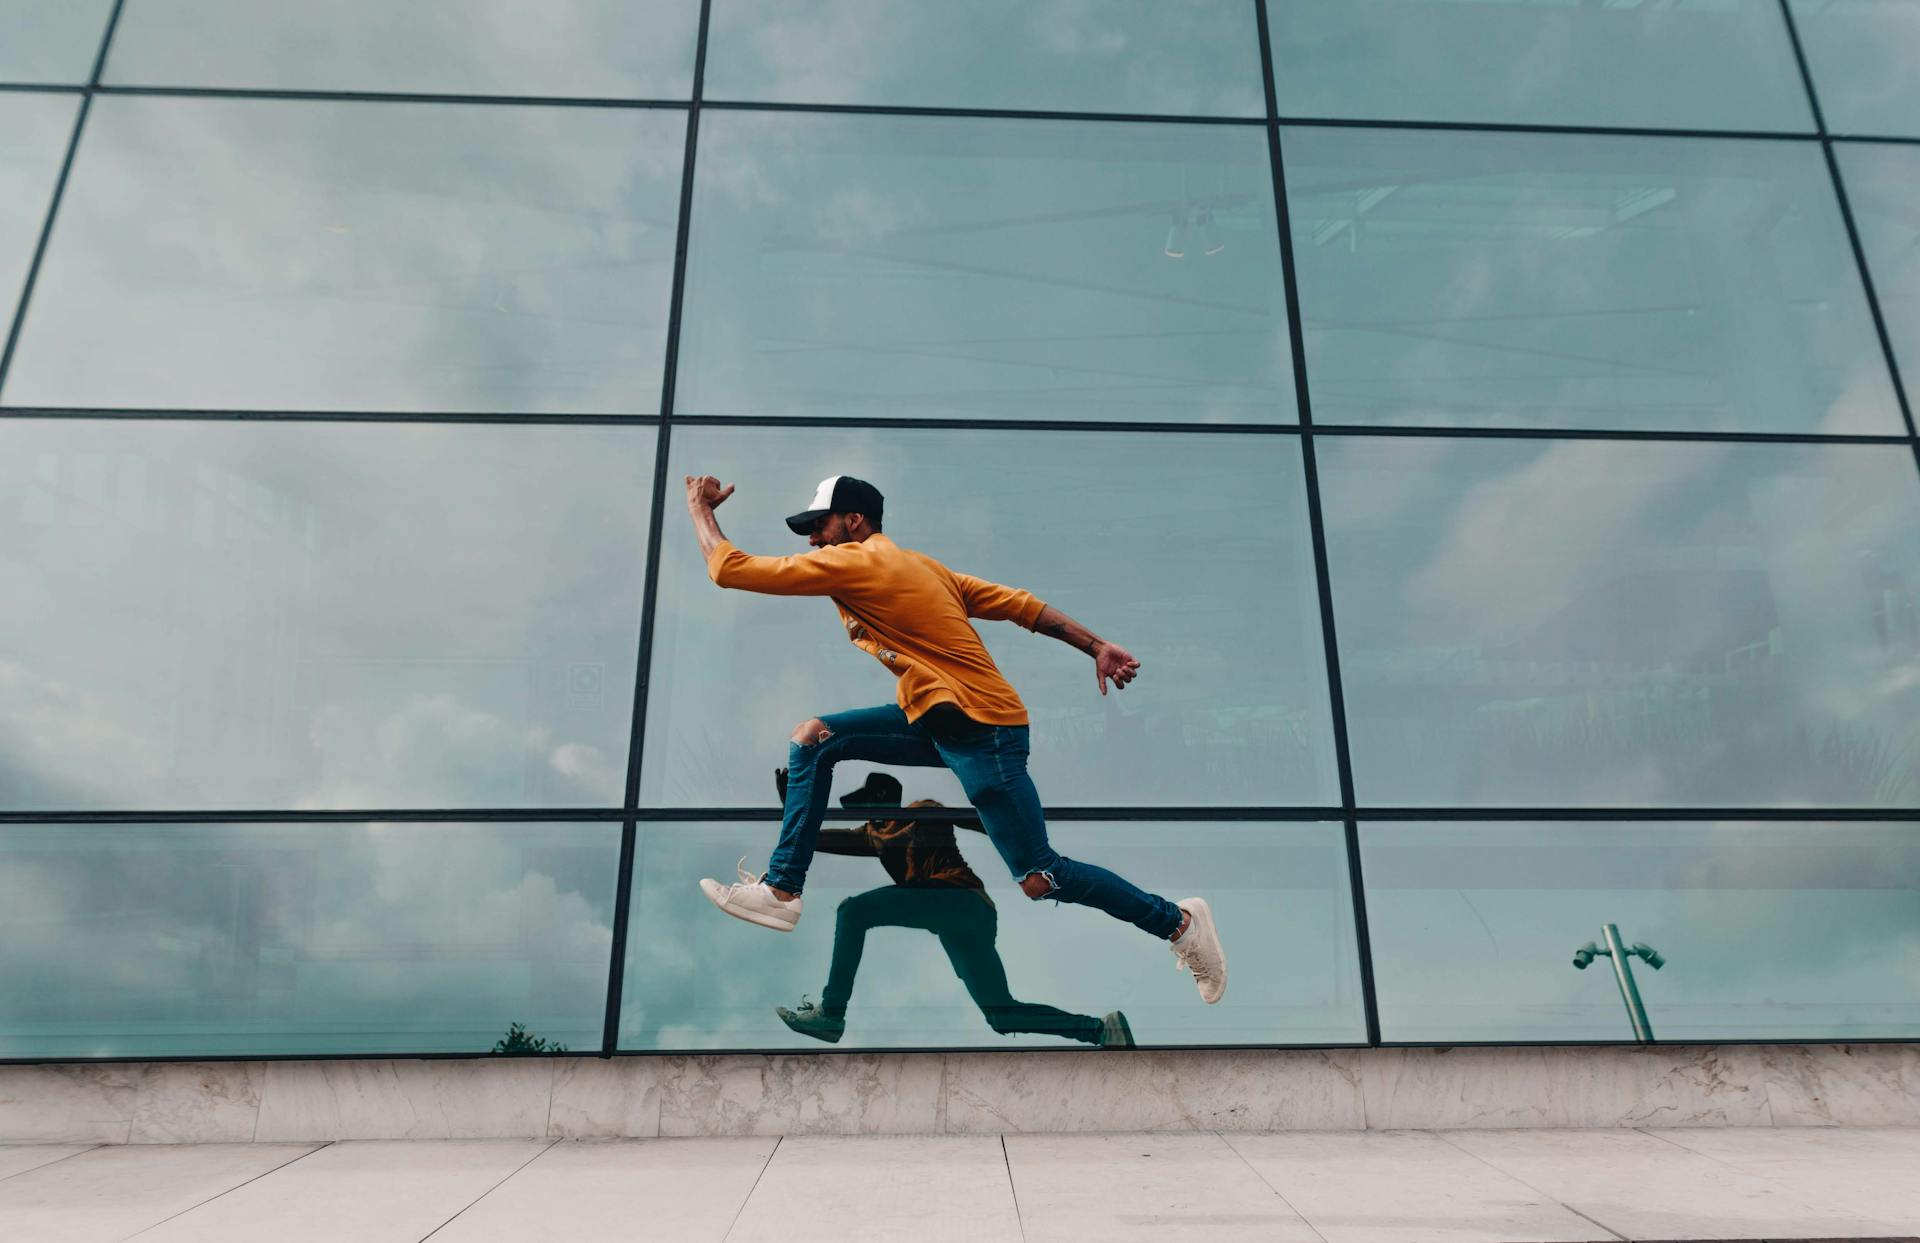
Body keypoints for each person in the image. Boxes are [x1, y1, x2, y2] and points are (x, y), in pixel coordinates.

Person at [686, 472, 1226, 1003]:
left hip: (983, 730)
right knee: (815, 737)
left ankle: (1178, 924)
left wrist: (700, 510)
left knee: (1040, 876)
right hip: (943, 721)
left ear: (854, 522)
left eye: (820, 526)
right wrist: (1096, 645)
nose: (812, 541)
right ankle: (782, 890)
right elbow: (1020, 605)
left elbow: (730, 569)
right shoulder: (925, 568)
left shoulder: (858, 558)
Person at [772, 768, 1136, 1048]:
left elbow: (981, 822)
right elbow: (814, 839)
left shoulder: (923, 811)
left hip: (959, 899)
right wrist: (793, 804)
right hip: (954, 922)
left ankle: (832, 1013)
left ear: (885, 800)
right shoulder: (872, 834)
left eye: (870, 808)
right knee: (1000, 1014)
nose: (869, 820)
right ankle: (1102, 1030)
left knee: (853, 911)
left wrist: (1026, 844)